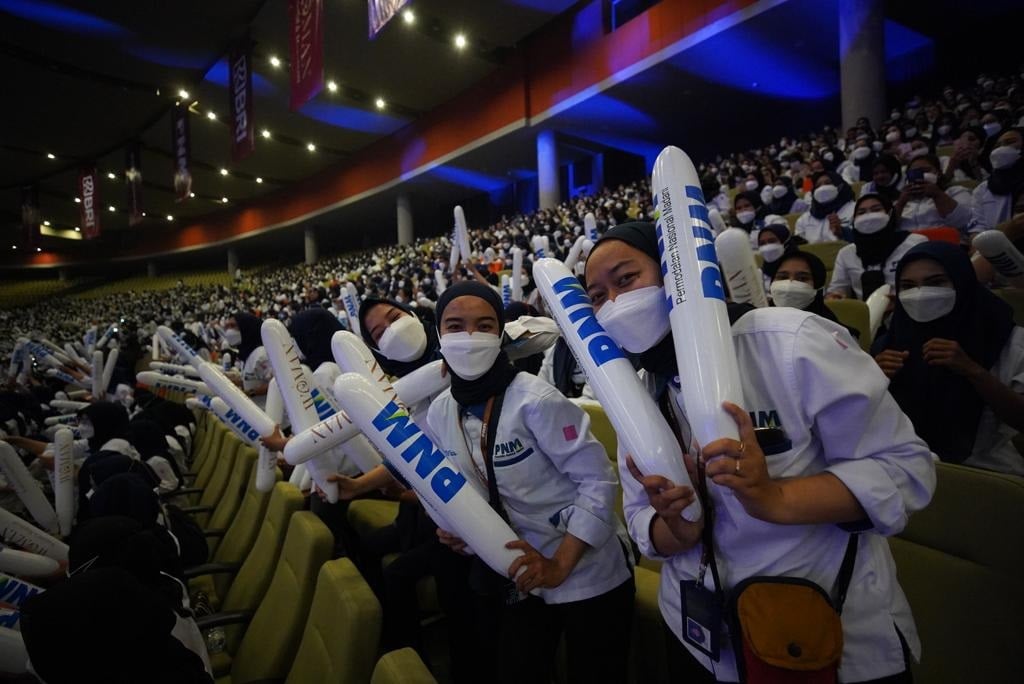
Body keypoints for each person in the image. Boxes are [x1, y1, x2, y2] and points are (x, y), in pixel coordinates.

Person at [584, 221, 934, 683]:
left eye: (626, 280)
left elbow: (906, 471)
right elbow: (641, 522)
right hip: (698, 636)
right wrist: (677, 522)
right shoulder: (636, 392)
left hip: (824, 632)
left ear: (674, 274)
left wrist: (773, 497)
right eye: (597, 296)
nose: (615, 304)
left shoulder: (790, 342)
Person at [428, 281, 635, 684]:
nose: (469, 336)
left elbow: (598, 482)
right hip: (521, 573)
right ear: (439, 335)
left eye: (484, 325)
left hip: (588, 569)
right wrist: (462, 531)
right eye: (454, 325)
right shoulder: (439, 411)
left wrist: (561, 563)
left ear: (500, 334)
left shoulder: (536, 401)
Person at [873, 242, 1024, 475]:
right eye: (908, 286)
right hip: (902, 466)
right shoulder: (890, 340)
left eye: (936, 283)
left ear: (962, 282)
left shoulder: (1009, 340)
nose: (921, 294)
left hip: (986, 468)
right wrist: (871, 379)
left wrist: (973, 371)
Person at [827, 193, 928, 301]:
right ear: (854, 220)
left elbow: (927, 286)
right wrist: (835, 296)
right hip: (865, 314)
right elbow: (838, 289)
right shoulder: (846, 253)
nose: (868, 216)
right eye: (861, 213)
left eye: (876, 210)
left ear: (889, 214)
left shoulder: (915, 242)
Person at [770, 250, 860, 340]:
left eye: (802, 278)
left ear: (818, 286)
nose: (789, 285)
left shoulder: (839, 337)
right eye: (782, 277)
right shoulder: (758, 323)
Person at [893, 154, 974, 237]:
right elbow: (888, 229)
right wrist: (901, 202)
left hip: (945, 243)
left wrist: (937, 194)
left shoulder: (955, 191)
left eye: (925, 170)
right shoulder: (901, 201)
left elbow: (966, 221)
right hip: (908, 245)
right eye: (914, 173)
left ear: (938, 173)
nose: (920, 175)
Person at [970, 127, 1024, 233]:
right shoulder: (982, 189)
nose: (1001, 149)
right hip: (997, 247)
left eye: (1010, 142)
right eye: (997, 146)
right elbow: (977, 230)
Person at [224, 312, 272, 410]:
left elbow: (276, 384)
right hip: (258, 413)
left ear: (246, 327)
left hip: (273, 415)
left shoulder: (262, 354)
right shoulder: (246, 354)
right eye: (227, 326)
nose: (229, 330)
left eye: (233, 326)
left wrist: (249, 393)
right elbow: (254, 379)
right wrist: (236, 382)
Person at [795, 171, 856, 243]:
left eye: (827, 183)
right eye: (818, 186)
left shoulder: (856, 209)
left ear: (839, 186)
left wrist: (842, 232)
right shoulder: (803, 220)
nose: (822, 188)